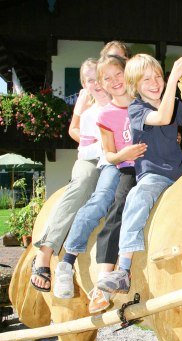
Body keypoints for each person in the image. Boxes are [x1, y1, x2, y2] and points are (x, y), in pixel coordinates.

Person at [96, 54, 182, 295]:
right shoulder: (137, 108)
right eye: (146, 79)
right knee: (137, 197)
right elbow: (161, 118)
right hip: (155, 175)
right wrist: (173, 82)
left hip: (181, 172)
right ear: (134, 86)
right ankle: (123, 268)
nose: (155, 82)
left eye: (158, 76)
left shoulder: (175, 104)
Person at [53, 54, 146, 300]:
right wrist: (118, 152)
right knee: (104, 198)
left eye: (118, 75)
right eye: (103, 79)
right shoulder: (98, 112)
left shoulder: (141, 101)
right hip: (114, 164)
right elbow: (98, 150)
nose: (113, 81)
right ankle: (68, 260)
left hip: (143, 164)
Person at [30, 58, 111, 292]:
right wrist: (99, 143)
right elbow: (74, 131)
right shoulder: (86, 106)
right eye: (88, 80)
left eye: (98, 77)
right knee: (83, 182)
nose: (94, 83)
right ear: (84, 85)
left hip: (115, 156)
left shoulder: (119, 99)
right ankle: (44, 255)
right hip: (91, 157)